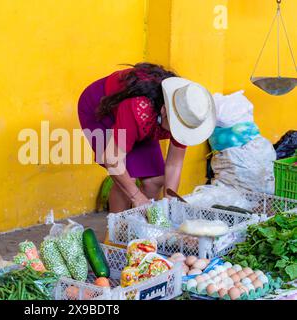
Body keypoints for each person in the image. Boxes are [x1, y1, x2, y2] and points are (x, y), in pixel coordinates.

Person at [78, 63, 216, 213]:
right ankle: (116, 231)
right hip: (101, 107)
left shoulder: (186, 112)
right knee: (127, 180)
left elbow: (174, 164)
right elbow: (112, 160)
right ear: (164, 111)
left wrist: (170, 202)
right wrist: (137, 196)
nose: (179, 133)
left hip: (144, 117)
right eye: (177, 128)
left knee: (155, 180)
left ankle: (138, 227)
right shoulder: (139, 110)